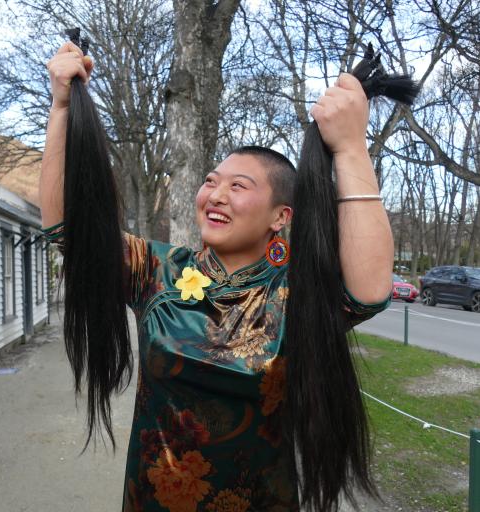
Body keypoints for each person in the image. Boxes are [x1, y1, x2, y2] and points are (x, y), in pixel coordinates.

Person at [40, 42, 392, 512]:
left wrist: (350, 148)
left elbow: (368, 292)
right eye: (211, 181)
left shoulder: (295, 294)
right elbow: (69, 230)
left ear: (279, 217)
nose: (215, 195)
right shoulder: (158, 271)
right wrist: (62, 107)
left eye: (238, 186)